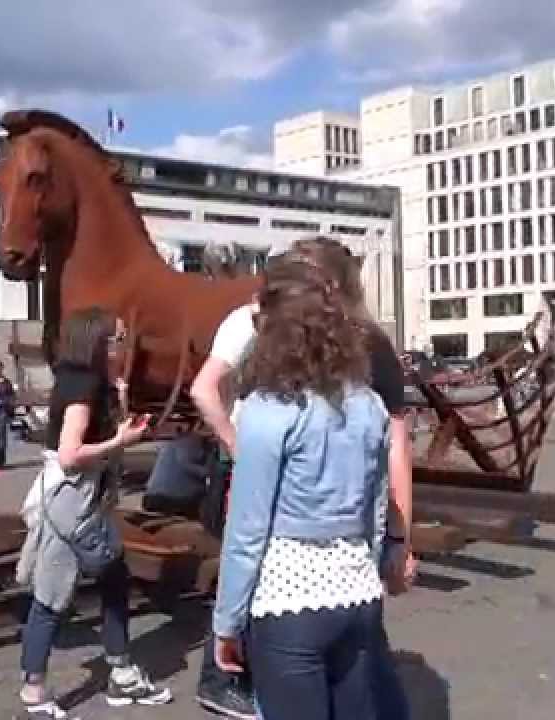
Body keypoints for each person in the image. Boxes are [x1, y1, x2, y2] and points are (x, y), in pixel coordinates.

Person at [188, 238, 416, 720]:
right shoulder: (367, 405)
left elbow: (247, 534)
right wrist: (382, 560)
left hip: (287, 605)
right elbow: (376, 509)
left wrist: (227, 622)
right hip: (357, 598)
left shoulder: (269, 412)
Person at [15, 307, 172, 719]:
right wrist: (120, 441)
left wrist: (120, 393)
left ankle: (120, 671)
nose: (124, 344)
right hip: (70, 501)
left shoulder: (95, 380)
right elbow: (70, 455)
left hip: (86, 501)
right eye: (118, 338)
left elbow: (106, 431)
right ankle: (35, 689)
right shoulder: (81, 384)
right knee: (51, 597)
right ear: (99, 342)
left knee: (113, 576)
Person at [0, 361, 17, 470]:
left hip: (1, 410)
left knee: (1, 437)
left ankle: (0, 461)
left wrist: (9, 407)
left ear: (1, 369)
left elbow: (11, 396)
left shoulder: (6, 383)